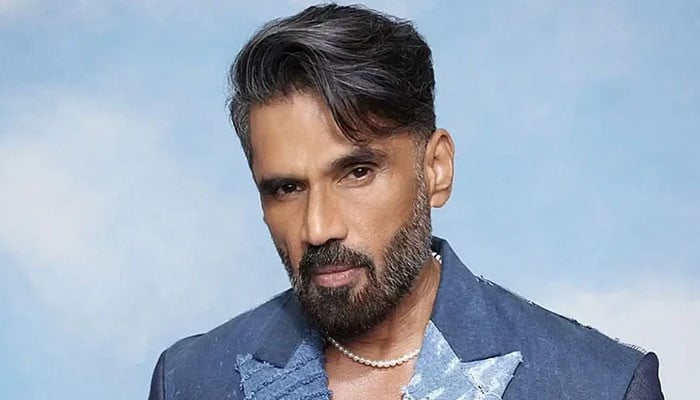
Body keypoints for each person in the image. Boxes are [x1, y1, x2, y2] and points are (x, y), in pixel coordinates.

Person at [148, 4, 664, 399]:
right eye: (286, 188)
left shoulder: (598, 384)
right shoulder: (190, 380)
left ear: (435, 169)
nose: (318, 227)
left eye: (357, 172)